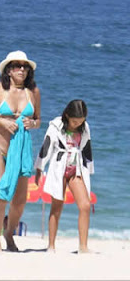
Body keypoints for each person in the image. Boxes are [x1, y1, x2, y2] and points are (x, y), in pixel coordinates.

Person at [0, 50, 41, 252]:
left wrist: (32, 123)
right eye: (16, 66)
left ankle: (9, 233)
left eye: (24, 66)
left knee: (20, 200)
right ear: (8, 70)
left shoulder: (33, 92)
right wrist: (1, 122)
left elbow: (38, 120)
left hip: (22, 149)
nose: (21, 69)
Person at [34, 100, 93, 253]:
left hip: (77, 168)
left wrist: (89, 171)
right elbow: (46, 147)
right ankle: (51, 245)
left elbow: (87, 148)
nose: (76, 124)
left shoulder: (85, 128)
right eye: (74, 121)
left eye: (80, 121)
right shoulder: (56, 126)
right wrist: (39, 168)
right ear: (67, 115)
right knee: (56, 207)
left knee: (85, 205)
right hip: (59, 167)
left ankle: (83, 247)